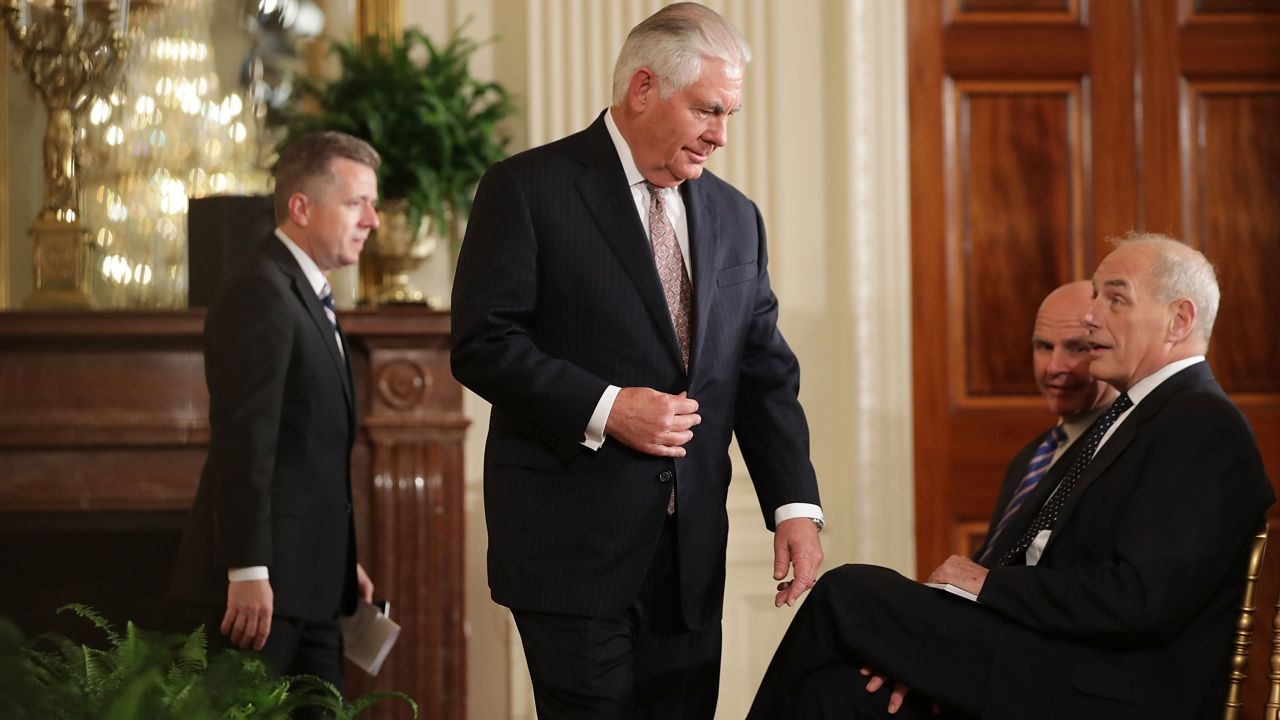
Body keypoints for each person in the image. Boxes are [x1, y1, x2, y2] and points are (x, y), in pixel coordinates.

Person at [450, 3, 823, 718]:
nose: (720, 135)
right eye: (708, 110)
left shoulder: (736, 217)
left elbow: (762, 373)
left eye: (730, 114)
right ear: (644, 88)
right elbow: (483, 341)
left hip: (689, 564)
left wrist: (795, 506)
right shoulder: (528, 188)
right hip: (572, 555)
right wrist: (606, 407)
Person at [749, 234, 1273, 720]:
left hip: (1115, 688)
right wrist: (928, 649)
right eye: (1095, 298)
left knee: (847, 591)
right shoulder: (1131, 417)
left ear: (1180, 319)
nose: (1090, 318)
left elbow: (1140, 598)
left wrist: (989, 589)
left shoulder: (1202, 422)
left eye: (1115, 299)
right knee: (835, 696)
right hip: (1047, 657)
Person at [170, 131, 381, 690]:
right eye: (357, 202)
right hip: (262, 597)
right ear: (301, 207)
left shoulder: (306, 293)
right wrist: (247, 569)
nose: (373, 220)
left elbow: (305, 453)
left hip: (311, 585)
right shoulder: (260, 291)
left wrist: (339, 562)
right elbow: (246, 445)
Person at [971, 280, 1118, 566]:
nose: (1053, 367)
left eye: (1077, 348)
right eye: (1043, 346)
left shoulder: (1118, 450)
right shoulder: (1032, 456)